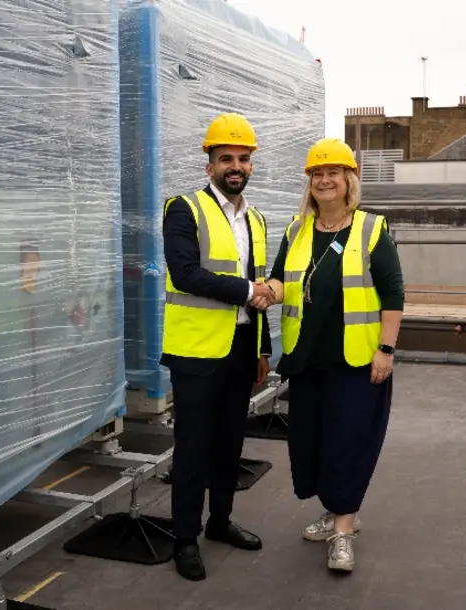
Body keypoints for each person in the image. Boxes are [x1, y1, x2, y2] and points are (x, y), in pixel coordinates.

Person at [261, 137, 404, 573]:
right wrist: (261, 291)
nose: (325, 180)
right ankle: (333, 512)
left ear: (348, 180)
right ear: (310, 183)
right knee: (312, 445)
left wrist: (386, 349)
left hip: (357, 363)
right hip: (307, 361)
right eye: (317, 174)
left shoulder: (371, 229)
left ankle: (344, 529)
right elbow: (283, 281)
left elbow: (393, 295)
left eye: (333, 173)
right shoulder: (297, 230)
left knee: (348, 445)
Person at [161, 112, 275, 581]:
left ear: (250, 165)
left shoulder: (258, 219)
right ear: (208, 164)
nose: (235, 166)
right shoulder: (183, 209)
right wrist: (248, 290)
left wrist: (263, 349)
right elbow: (187, 274)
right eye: (225, 157)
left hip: (242, 347)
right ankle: (184, 538)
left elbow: (266, 292)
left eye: (243, 159)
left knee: (230, 445)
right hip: (196, 352)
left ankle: (220, 523)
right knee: (193, 450)